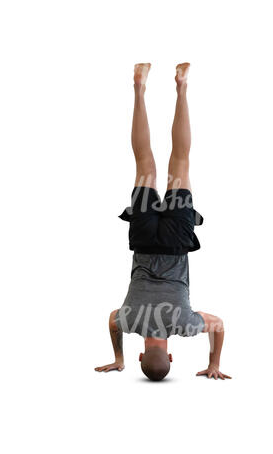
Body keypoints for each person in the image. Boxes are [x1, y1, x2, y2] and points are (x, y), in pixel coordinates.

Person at [95, 63, 230, 382]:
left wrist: (214, 363)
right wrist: (117, 356)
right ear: (141, 353)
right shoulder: (128, 321)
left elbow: (219, 324)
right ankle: (138, 88)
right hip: (143, 238)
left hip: (175, 240)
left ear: (169, 354)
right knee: (143, 160)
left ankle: (181, 86)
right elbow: (112, 320)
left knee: (181, 160)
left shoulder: (185, 325)